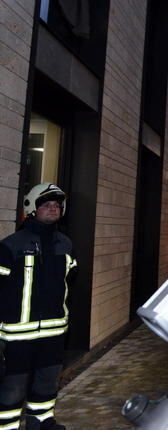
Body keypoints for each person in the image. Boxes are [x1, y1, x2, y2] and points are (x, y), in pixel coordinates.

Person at [0, 183, 76, 430]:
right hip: (18, 334)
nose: (53, 209)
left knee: (47, 382)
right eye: (46, 205)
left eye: (57, 205)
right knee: (12, 388)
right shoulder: (10, 245)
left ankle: (42, 422)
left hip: (54, 332)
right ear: (32, 209)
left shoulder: (65, 244)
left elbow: (70, 282)